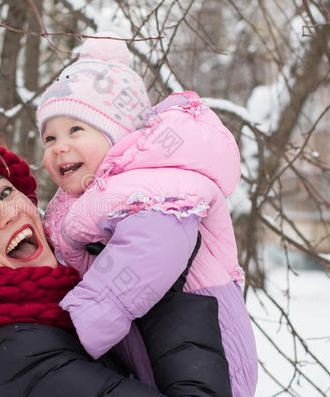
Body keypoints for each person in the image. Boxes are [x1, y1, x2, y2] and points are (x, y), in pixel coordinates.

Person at [0, 144, 228, 396]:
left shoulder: (54, 315)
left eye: (5, 193)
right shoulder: (15, 357)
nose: (10, 213)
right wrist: (161, 292)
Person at [37, 32, 258, 396]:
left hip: (208, 348)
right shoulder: (86, 199)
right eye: (49, 138)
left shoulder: (154, 181)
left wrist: (87, 316)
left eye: (76, 129)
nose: (60, 146)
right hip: (159, 341)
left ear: (118, 135)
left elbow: (153, 248)